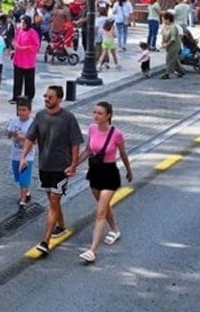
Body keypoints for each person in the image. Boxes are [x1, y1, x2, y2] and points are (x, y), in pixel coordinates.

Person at [20, 85, 83, 257]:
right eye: (45, 96)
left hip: (61, 168)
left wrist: (74, 165)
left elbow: (75, 143)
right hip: (44, 167)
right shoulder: (40, 116)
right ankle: (61, 226)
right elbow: (30, 138)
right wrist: (23, 157)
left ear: (59, 99)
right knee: (52, 200)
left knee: (54, 200)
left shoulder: (68, 118)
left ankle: (45, 241)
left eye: (50, 97)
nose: (47, 99)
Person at [76, 101, 133, 264]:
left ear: (108, 115)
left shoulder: (117, 134)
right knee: (104, 206)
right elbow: (88, 150)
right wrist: (73, 165)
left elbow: (123, 154)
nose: (96, 116)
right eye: (94, 112)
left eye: (100, 113)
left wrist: (129, 170)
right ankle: (115, 230)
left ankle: (92, 250)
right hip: (94, 172)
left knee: (100, 211)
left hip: (109, 174)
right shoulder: (92, 128)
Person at [7, 97, 36, 209]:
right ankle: (27, 192)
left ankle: (23, 200)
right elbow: (8, 134)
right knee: (18, 177)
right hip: (15, 154)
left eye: (24, 110)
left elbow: (36, 141)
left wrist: (22, 137)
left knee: (24, 178)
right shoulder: (14, 120)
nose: (21, 112)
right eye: (19, 110)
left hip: (28, 155)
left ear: (29, 110)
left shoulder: (33, 124)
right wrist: (12, 134)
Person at [10, 16, 40, 102]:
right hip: (18, 59)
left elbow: (36, 46)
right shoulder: (19, 30)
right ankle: (16, 96)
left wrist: (25, 48)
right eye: (21, 23)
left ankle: (29, 97)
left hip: (28, 60)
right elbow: (15, 39)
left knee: (29, 80)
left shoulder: (32, 33)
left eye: (24, 23)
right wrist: (14, 45)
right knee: (17, 80)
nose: (22, 25)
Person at [158, 12, 185, 79]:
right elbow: (163, 35)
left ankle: (167, 74)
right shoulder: (164, 27)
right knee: (174, 59)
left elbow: (173, 38)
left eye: (164, 19)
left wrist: (166, 44)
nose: (163, 21)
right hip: (168, 46)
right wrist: (162, 42)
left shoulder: (173, 27)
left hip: (174, 45)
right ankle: (181, 71)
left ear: (168, 19)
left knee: (169, 59)